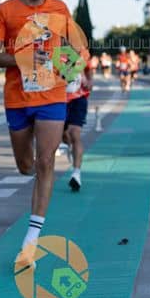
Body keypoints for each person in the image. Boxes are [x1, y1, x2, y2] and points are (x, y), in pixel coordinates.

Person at [0, 0, 81, 269]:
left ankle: (30, 243)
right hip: (17, 98)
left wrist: (72, 70)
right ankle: (40, 163)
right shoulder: (6, 11)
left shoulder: (59, 8)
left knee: (45, 162)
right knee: (26, 165)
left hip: (52, 96)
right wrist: (24, 59)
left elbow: (69, 46)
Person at [62, 50, 93, 192]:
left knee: (75, 134)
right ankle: (70, 147)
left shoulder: (82, 51)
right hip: (58, 100)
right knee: (64, 136)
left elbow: (88, 69)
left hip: (78, 98)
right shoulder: (53, 49)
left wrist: (89, 80)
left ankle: (76, 174)